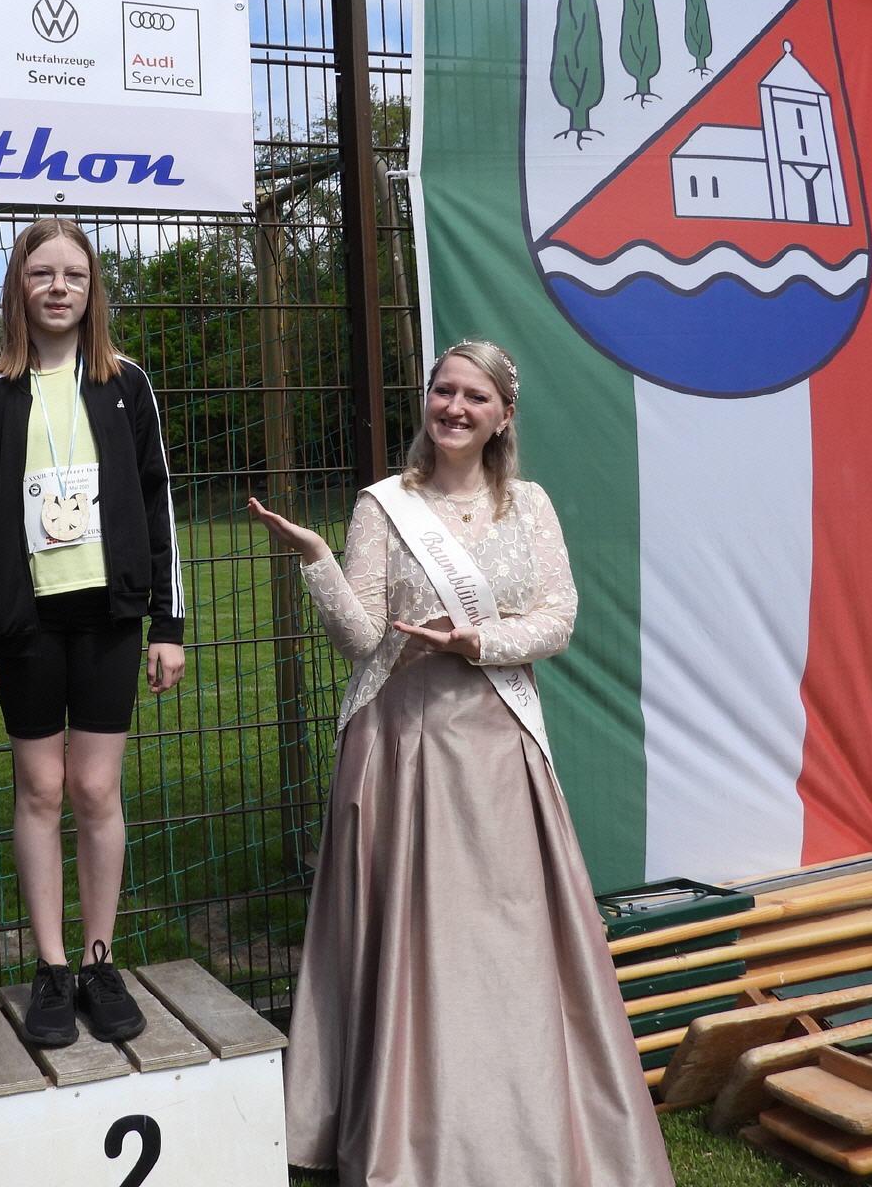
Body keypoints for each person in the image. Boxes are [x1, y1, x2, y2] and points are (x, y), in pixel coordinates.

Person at [248, 341, 672, 1187]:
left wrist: (479, 641)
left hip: (497, 745)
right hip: (402, 748)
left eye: (475, 396)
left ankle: (522, 1123)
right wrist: (317, 561)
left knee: (505, 936)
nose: (454, 407)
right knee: (407, 937)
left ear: (503, 415)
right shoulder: (384, 506)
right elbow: (360, 638)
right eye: (444, 390)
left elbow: (558, 618)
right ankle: (410, 1130)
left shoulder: (530, 506)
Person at [0, 217, 185, 1048]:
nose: (58, 288)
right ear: (19, 286)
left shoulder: (126, 384)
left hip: (110, 617)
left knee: (96, 790)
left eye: (74, 276)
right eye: (42, 273)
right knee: (41, 789)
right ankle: (51, 967)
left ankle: (98, 960)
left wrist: (168, 622)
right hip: (27, 623)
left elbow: (158, 504)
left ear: (93, 291)